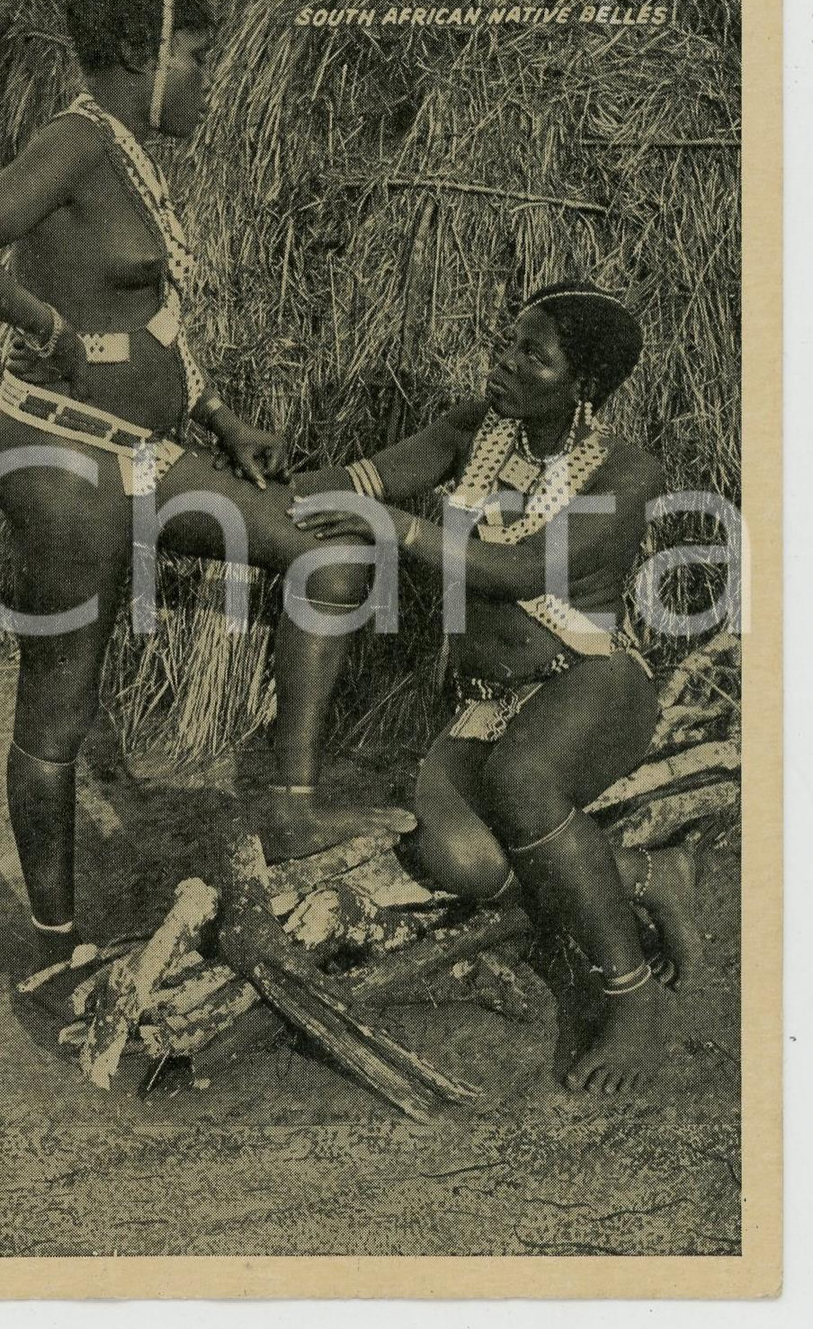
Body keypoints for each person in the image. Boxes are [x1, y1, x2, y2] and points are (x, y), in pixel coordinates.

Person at [0, 0, 413, 975]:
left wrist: (222, 417)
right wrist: (49, 327)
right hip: (57, 454)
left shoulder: (126, 153)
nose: (205, 80)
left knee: (329, 556)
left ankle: (291, 808)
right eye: (195, 60)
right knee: (58, 706)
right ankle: (55, 946)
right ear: (142, 58)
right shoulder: (69, 145)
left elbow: (148, 319)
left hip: (143, 453)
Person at [290, 285, 701, 1096]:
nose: (506, 362)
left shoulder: (627, 471)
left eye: (533, 355)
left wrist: (401, 529)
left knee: (521, 779)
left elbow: (519, 571)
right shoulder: (471, 430)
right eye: (508, 342)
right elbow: (360, 477)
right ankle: (649, 876)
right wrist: (263, 481)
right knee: (462, 860)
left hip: (591, 681)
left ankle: (631, 994)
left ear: (582, 384)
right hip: (487, 700)